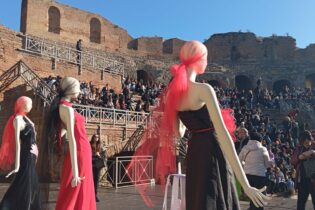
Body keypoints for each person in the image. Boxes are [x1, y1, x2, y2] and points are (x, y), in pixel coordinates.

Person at [132, 41, 269, 209]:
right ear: (199, 59)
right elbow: (224, 135)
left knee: (198, 197)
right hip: (213, 149)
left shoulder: (172, 96)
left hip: (195, 149)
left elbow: (179, 133)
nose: (206, 61)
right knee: (216, 195)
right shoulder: (204, 89)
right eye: (205, 57)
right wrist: (246, 185)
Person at [52, 77, 96, 210]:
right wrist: (75, 173)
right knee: (77, 189)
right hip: (80, 151)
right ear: (71, 90)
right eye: (78, 88)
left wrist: (58, 135)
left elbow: (65, 130)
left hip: (82, 150)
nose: (80, 91)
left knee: (79, 190)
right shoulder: (67, 109)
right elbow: (72, 139)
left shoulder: (63, 106)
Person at [0, 96, 41, 210]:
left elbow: (32, 131)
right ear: (22, 104)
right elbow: (18, 144)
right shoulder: (17, 120)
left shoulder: (25, 118)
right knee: (25, 181)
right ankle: (11, 206)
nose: (31, 106)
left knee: (30, 181)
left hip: (31, 155)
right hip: (26, 155)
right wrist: (17, 166)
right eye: (29, 104)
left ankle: (29, 205)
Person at [239, 132, 274, 210]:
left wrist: (245, 166)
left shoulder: (245, 148)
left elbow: (239, 160)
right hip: (259, 176)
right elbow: (267, 164)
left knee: (252, 198)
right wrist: (272, 161)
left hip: (247, 176)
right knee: (259, 199)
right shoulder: (263, 149)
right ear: (260, 140)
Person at [291, 130, 315, 210]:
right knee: (301, 203)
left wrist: (312, 153)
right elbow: (293, 161)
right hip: (302, 179)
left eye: (308, 141)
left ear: (310, 139)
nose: (306, 143)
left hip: (313, 179)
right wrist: (299, 157)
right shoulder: (299, 148)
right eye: (304, 142)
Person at [90, 134, 104, 202]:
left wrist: (99, 155)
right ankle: (90, 195)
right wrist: (94, 153)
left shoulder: (100, 145)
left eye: (98, 137)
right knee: (91, 180)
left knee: (96, 180)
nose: (96, 138)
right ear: (93, 137)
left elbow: (104, 154)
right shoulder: (90, 144)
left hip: (97, 164)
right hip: (91, 163)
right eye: (95, 137)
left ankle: (95, 195)